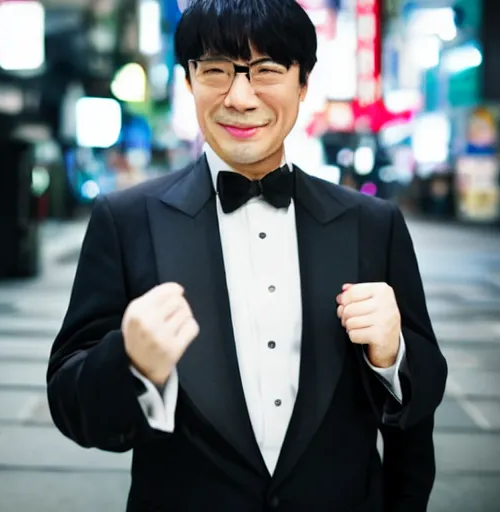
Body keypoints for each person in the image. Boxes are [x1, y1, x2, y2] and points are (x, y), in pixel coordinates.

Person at [46, 1, 448, 511]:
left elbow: (419, 415)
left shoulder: (373, 224)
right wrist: (129, 363)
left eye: (267, 71)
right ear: (189, 82)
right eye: (215, 70)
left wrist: (393, 357)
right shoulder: (125, 220)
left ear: (303, 84)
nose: (239, 97)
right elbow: (69, 404)